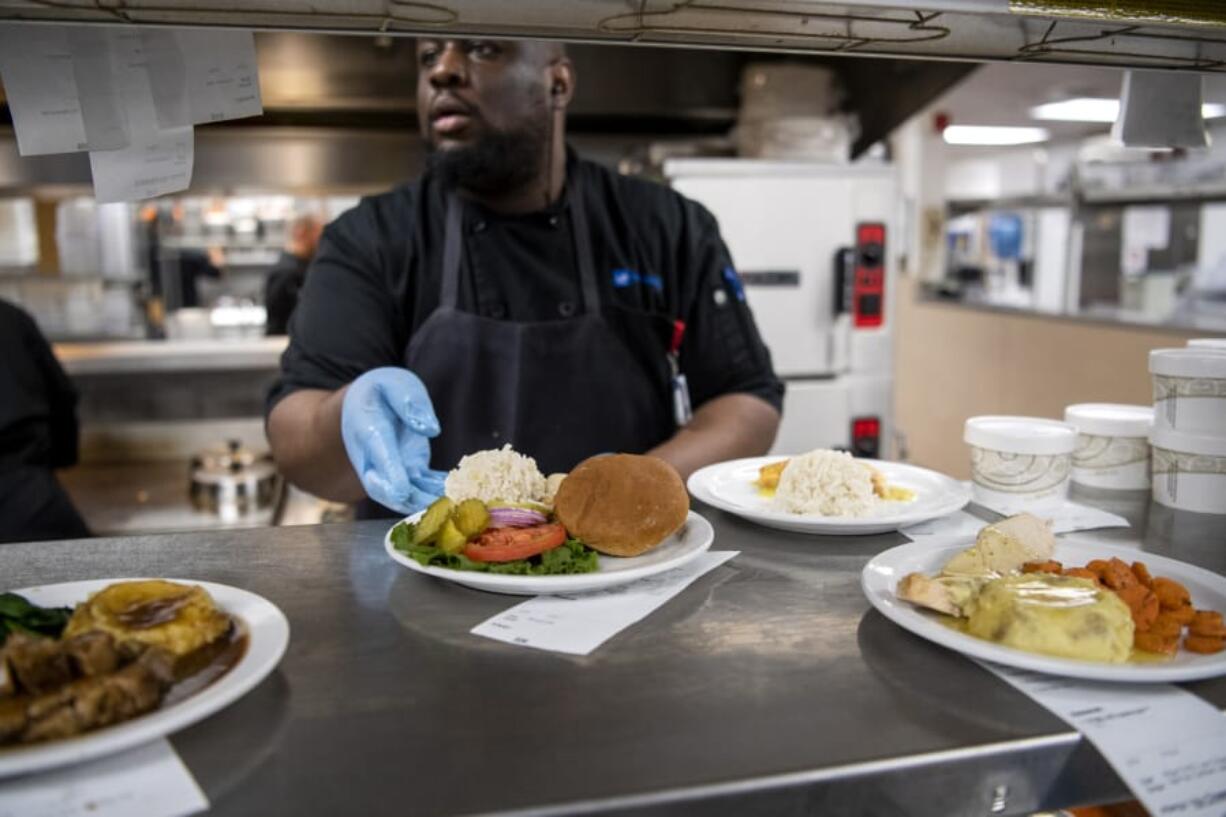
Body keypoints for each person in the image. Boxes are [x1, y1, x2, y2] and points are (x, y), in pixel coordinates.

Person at [266, 39, 783, 518]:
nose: (443, 71)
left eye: (482, 49)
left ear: (558, 83)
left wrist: (638, 482)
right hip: (421, 579)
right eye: (428, 57)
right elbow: (297, 444)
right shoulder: (370, 238)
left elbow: (746, 399)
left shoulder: (665, 226)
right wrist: (347, 418)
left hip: (625, 567)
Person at [0, 299, 90, 544]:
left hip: (23, 484)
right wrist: (61, 458)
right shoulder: (10, 316)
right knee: (79, 576)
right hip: (27, 495)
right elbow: (62, 395)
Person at [264, 212, 324, 335]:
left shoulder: (308, 265)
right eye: (318, 234)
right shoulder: (285, 272)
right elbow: (277, 321)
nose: (322, 239)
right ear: (301, 232)